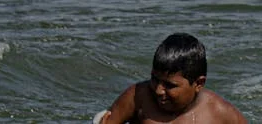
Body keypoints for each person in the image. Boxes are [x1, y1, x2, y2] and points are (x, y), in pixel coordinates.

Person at [94, 33, 247, 124]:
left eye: (170, 85)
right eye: (155, 79)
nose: (159, 90)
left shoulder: (220, 113)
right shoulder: (138, 97)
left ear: (198, 83)